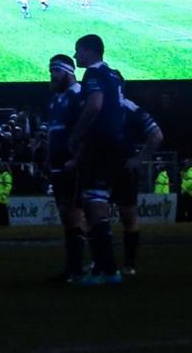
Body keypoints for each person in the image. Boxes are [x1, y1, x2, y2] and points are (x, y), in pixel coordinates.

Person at [66, 33, 126, 285]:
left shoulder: (92, 75)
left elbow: (94, 105)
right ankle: (104, 267)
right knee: (96, 202)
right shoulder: (115, 74)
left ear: (90, 51)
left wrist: (76, 136)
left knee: (95, 204)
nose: (75, 56)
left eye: (78, 51)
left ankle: (107, 270)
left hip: (99, 143)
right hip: (114, 142)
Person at [43, 55, 86, 282]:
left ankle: (77, 268)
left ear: (68, 72)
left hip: (72, 165)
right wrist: (49, 159)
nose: (52, 75)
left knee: (74, 215)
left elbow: (86, 130)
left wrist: (77, 159)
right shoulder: (55, 99)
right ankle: (73, 267)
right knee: (66, 215)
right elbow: (53, 132)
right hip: (58, 166)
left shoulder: (79, 96)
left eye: (55, 71)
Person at [116, 95, 163, 275]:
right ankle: (106, 263)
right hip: (109, 168)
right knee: (96, 215)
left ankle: (127, 264)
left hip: (121, 169)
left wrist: (139, 159)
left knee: (124, 216)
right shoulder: (99, 104)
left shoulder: (130, 109)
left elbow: (156, 134)